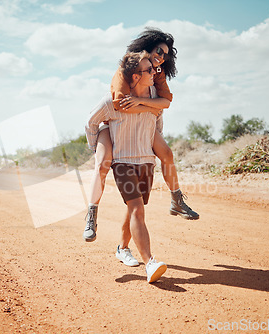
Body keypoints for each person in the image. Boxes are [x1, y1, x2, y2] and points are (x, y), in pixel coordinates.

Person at [83, 27, 199, 243]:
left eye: (166, 54)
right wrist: (95, 145)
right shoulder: (124, 72)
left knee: (167, 153)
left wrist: (146, 107)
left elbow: (164, 103)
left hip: (144, 123)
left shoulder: (157, 74)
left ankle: (176, 200)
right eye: (159, 51)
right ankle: (91, 214)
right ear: (147, 47)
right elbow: (120, 105)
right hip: (112, 124)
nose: (161, 57)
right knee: (102, 164)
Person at [85, 51, 167, 283]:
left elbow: (158, 125)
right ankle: (150, 263)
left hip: (146, 162)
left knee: (134, 208)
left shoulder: (154, 99)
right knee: (137, 209)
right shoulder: (112, 101)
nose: (154, 72)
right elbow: (90, 122)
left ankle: (122, 248)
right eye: (148, 70)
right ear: (133, 77)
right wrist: (98, 150)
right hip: (122, 162)